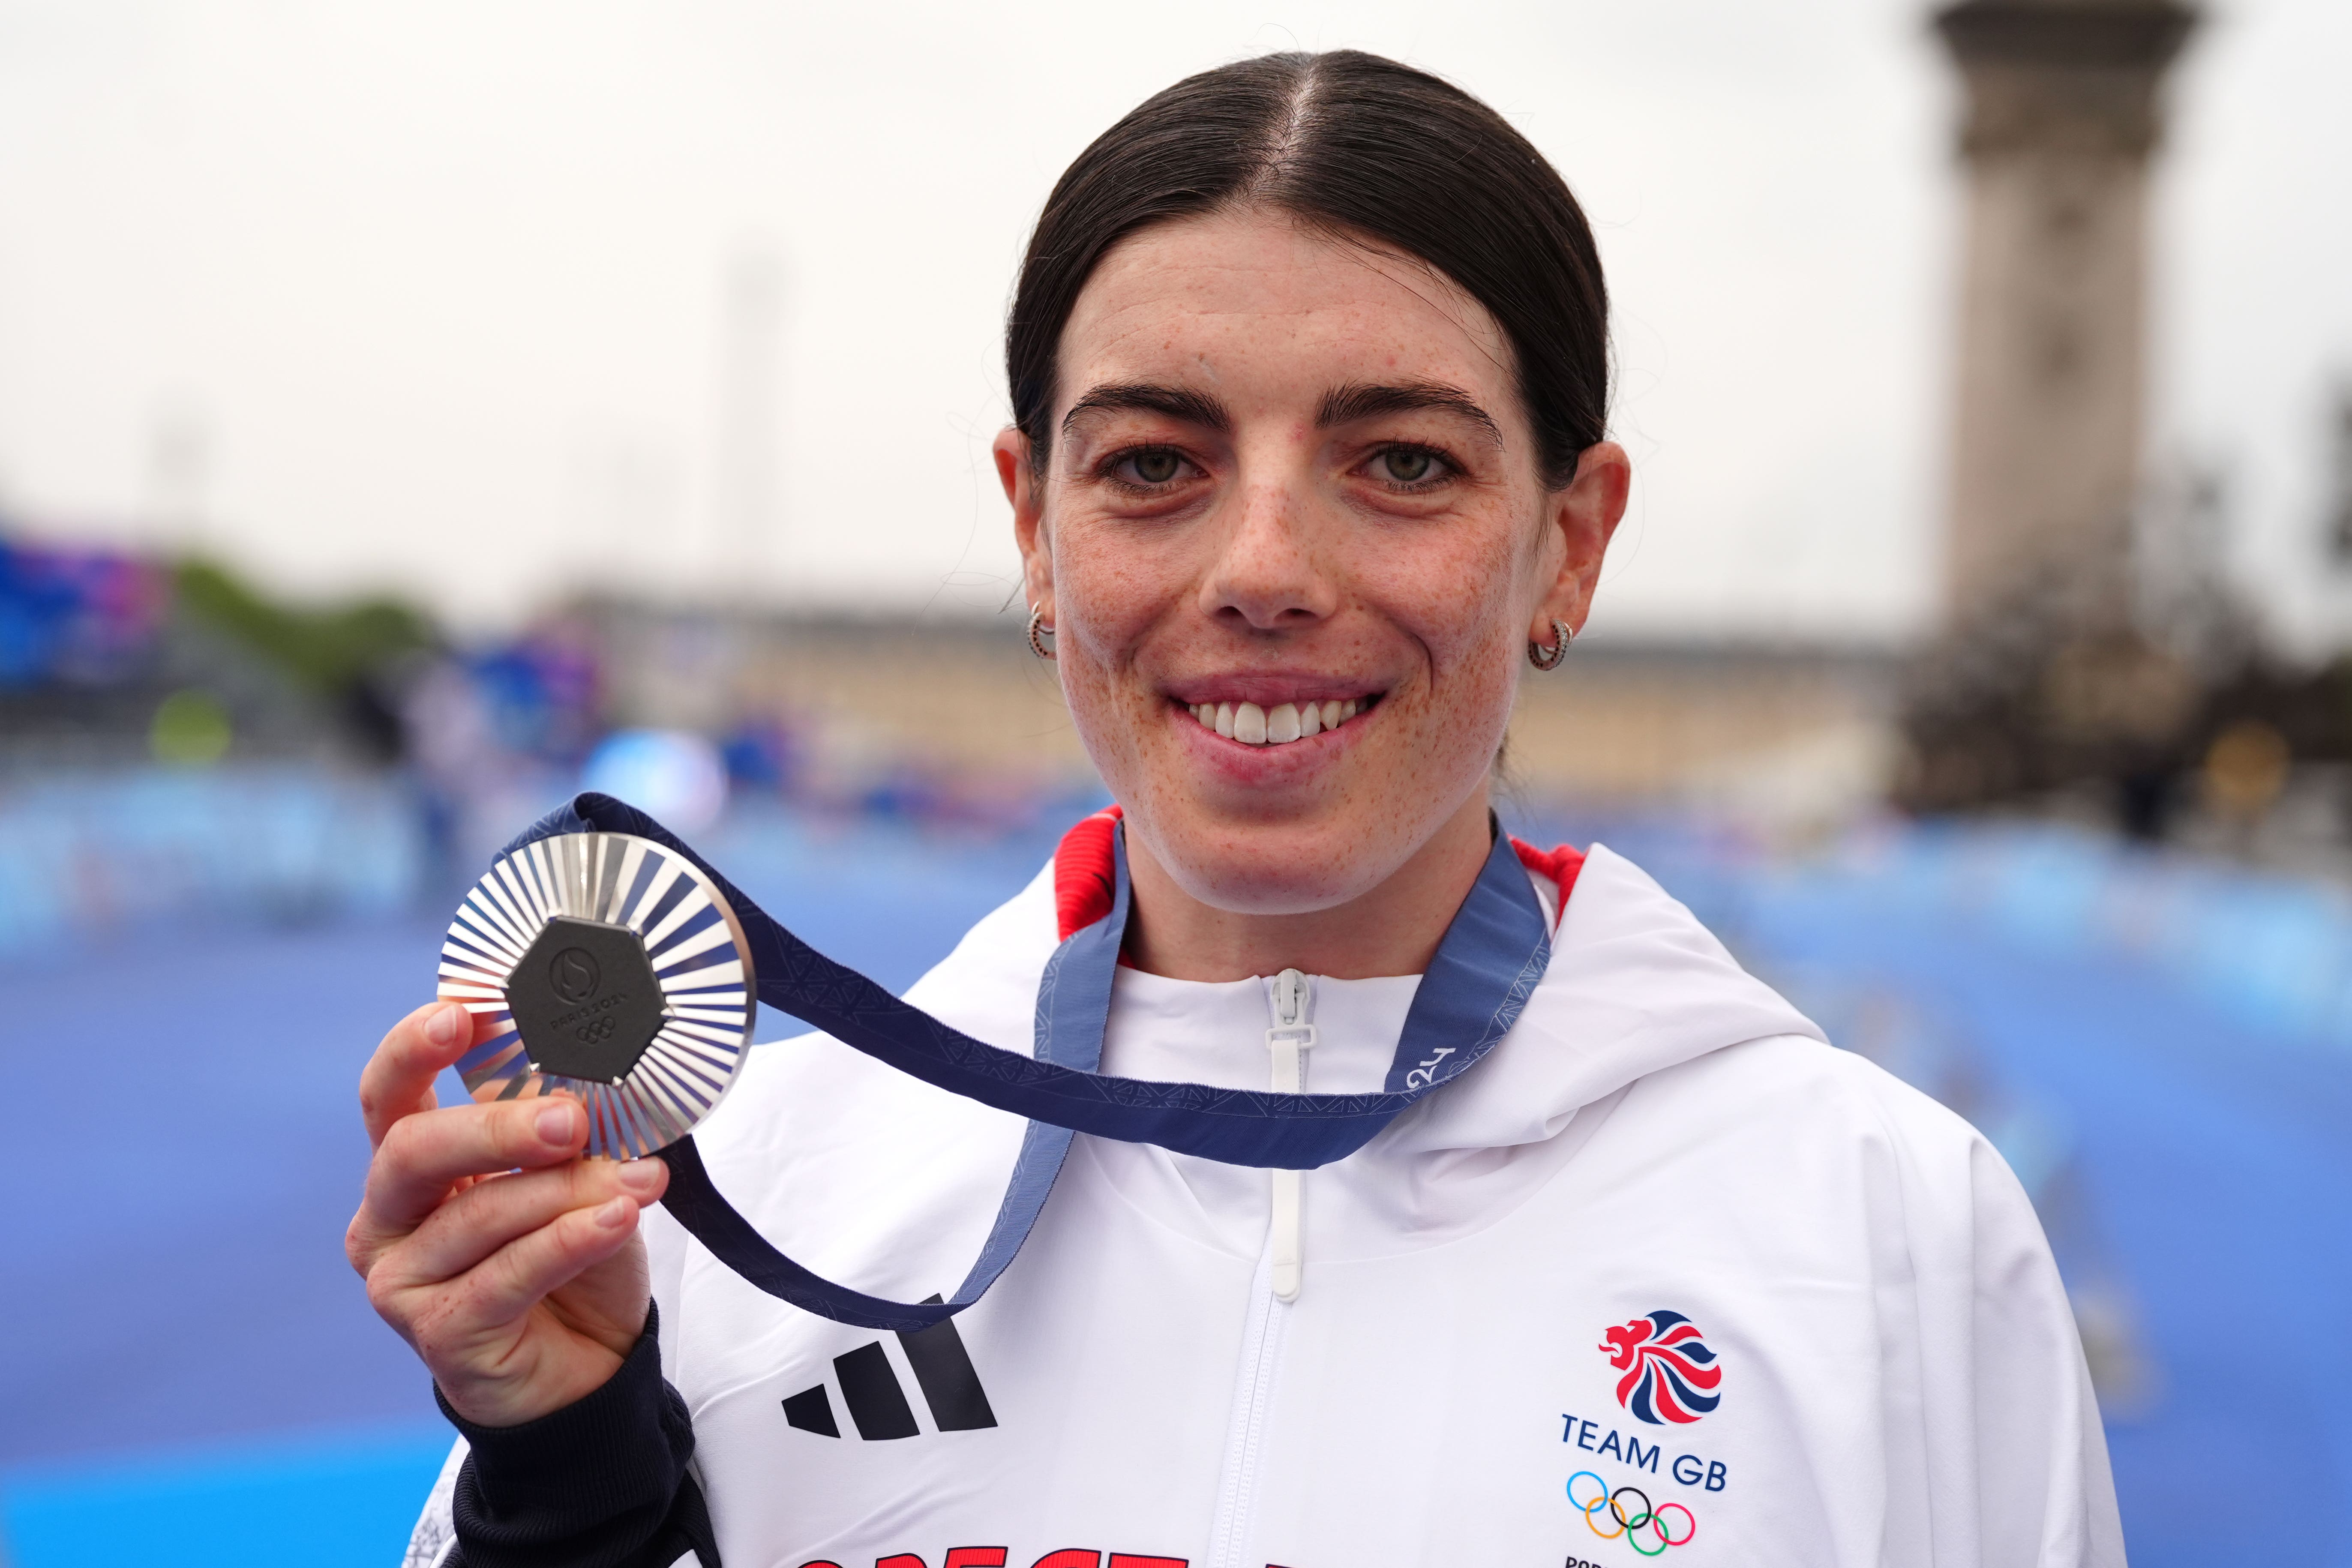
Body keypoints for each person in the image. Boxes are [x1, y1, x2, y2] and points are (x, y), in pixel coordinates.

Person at [351, 50, 2123, 1568]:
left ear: (1568, 545)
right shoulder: (741, 1204)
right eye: (1152, 465)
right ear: (1034, 528)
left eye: (1403, 461)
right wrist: (565, 1474)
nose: (1264, 568)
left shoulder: (1884, 1230)